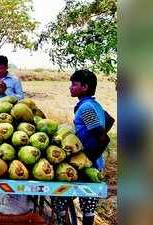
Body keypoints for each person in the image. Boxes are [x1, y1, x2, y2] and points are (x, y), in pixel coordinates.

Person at [52, 69, 114, 225]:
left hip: (88, 165)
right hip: (94, 164)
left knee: (59, 197)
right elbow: (110, 120)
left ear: (84, 87)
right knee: (88, 208)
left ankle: (62, 220)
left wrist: (87, 159)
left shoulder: (86, 108)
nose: (70, 87)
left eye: (74, 84)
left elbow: (103, 138)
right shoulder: (94, 105)